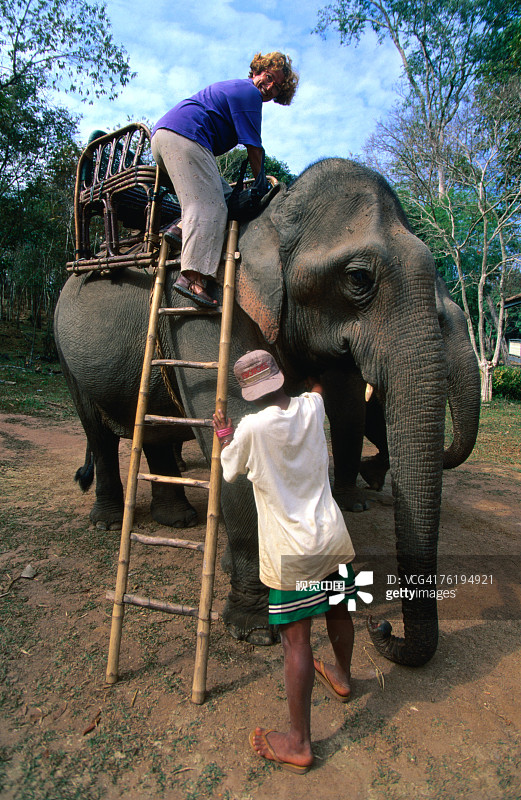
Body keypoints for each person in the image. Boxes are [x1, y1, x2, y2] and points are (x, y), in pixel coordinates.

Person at [213, 350, 357, 774]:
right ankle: (342, 676)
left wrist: (224, 435)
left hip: (291, 553)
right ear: (279, 377)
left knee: (297, 643)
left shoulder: (251, 428)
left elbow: (229, 469)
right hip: (331, 536)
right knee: (339, 611)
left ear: (247, 392)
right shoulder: (312, 406)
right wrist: (311, 374)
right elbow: (318, 390)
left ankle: (299, 742)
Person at [151, 52, 299, 308]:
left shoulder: (238, 89)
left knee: (224, 195)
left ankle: (181, 228)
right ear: (257, 71)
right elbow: (254, 149)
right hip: (185, 136)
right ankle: (192, 278)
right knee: (212, 207)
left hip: (167, 137)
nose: (269, 86)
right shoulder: (249, 93)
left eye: (276, 87)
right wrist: (262, 183)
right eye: (268, 77)